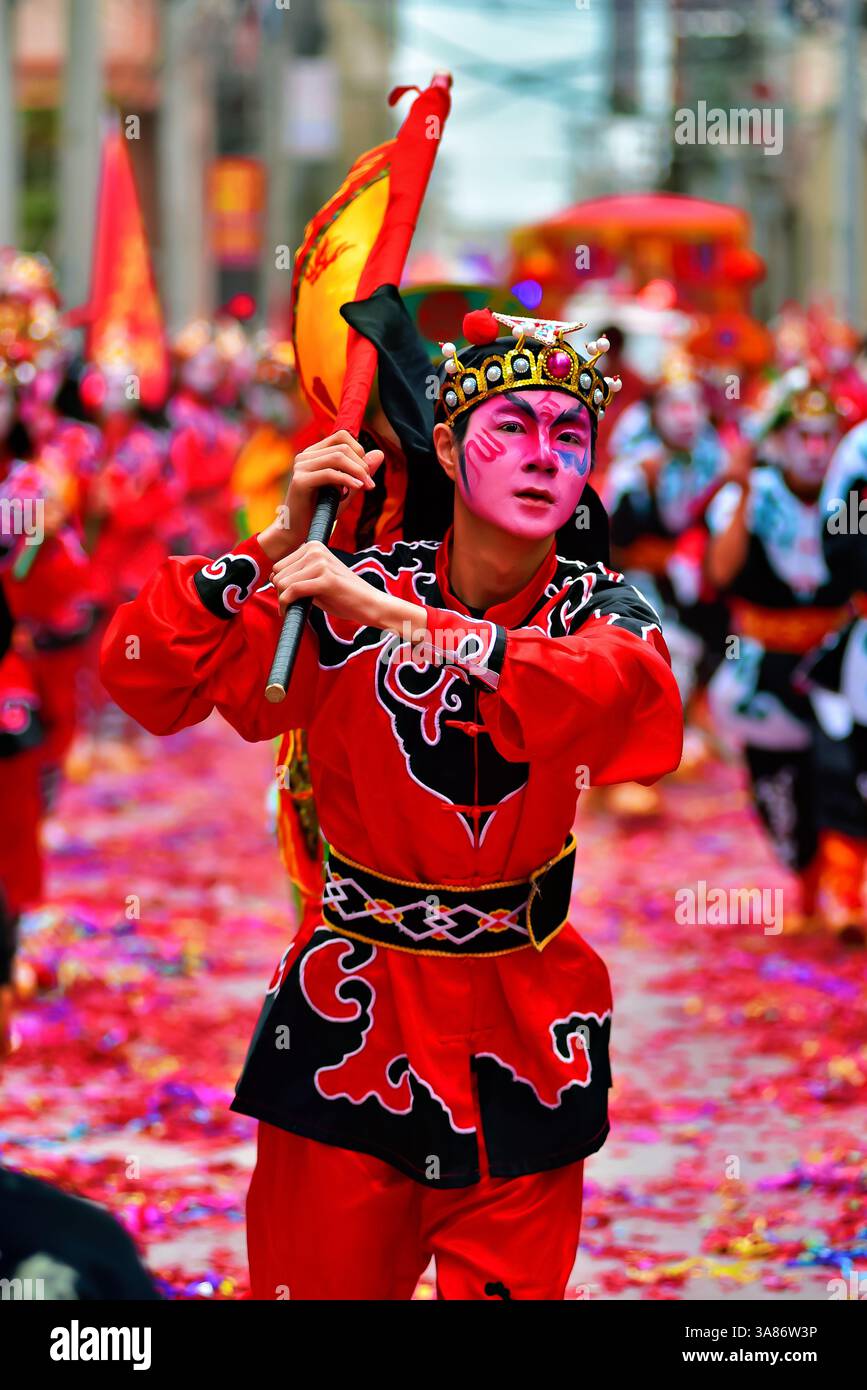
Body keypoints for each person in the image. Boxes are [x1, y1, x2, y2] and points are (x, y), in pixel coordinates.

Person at [101, 298, 682, 1301]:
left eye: (570, 435)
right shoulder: (340, 592)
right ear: (450, 449)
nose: (544, 455)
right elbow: (145, 670)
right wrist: (278, 537)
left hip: (525, 1033)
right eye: (515, 427)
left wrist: (399, 620)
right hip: (347, 1026)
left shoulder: (601, 608)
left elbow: (621, 696)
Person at [705, 379, 852, 935]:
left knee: (842, 772)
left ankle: (846, 892)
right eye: (800, 435)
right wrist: (741, 491)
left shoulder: (854, 491)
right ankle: (809, 885)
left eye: (825, 436)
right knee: (778, 783)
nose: (814, 449)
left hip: (838, 661)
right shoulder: (755, 491)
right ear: (776, 439)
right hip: (763, 663)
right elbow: (720, 572)